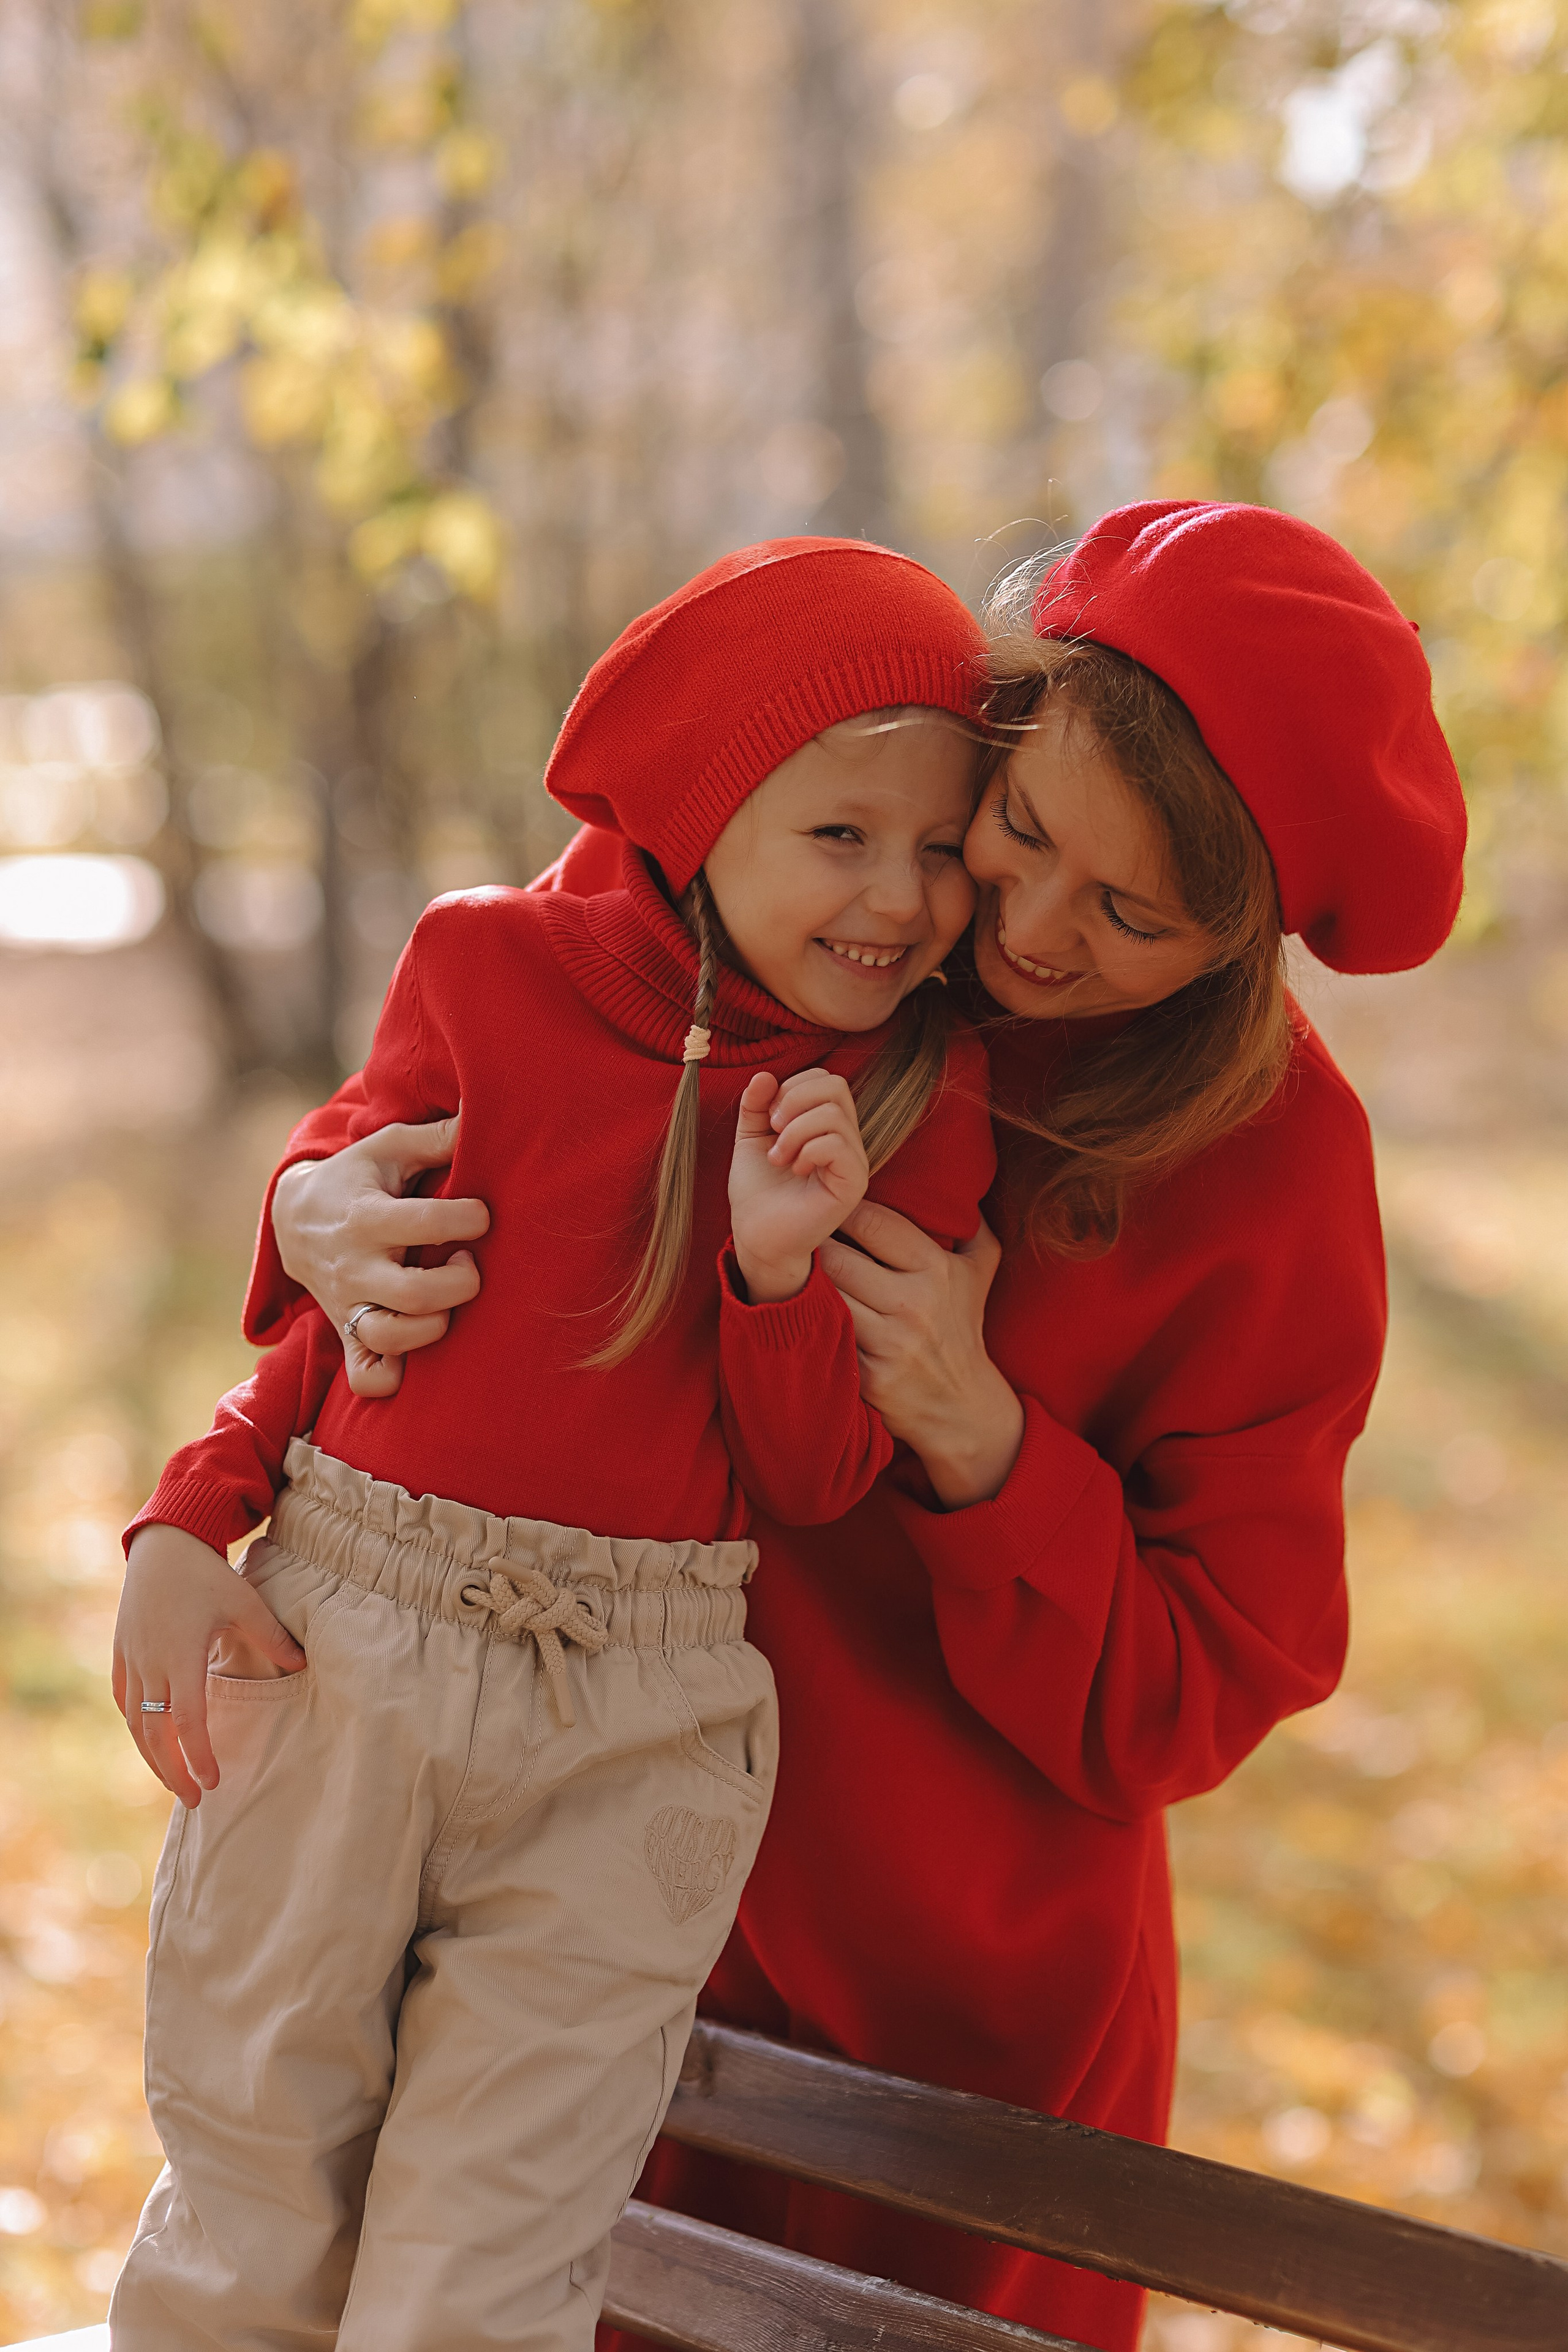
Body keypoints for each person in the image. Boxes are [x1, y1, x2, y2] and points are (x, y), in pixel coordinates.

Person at [233, 502, 1468, 2352]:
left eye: (1133, 916)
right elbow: (486, 1066)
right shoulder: (828, 910)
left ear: (1247, 935)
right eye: (1026, 834)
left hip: (954, 1997)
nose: (1026, 937)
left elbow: (1208, 1685)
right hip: (577, 1878)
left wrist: (985, 1439)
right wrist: (313, 1206)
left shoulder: (1275, 1169)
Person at [108, 537, 1000, 2352]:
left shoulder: (911, 1099)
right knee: (248, 2205)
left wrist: (772, 1275)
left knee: (486, 2272)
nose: (902, 899)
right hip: (348, 1645)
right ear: (701, 806)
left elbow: (822, 1484)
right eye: (843, 833)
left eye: (940, 846)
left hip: (640, 1716)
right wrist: (184, 1520)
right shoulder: (487, 971)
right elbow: (357, 1296)